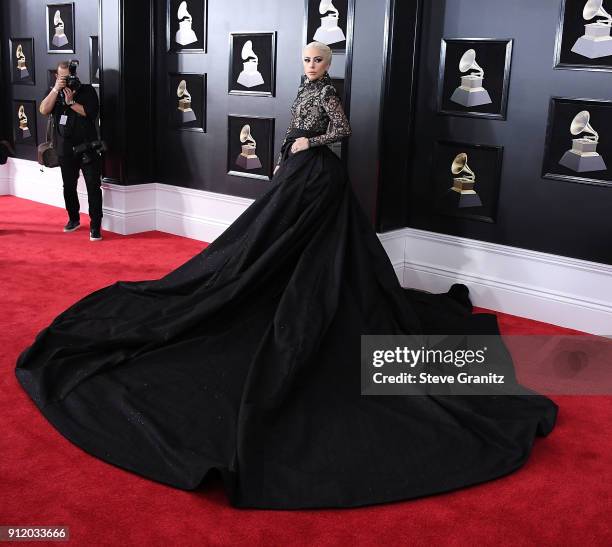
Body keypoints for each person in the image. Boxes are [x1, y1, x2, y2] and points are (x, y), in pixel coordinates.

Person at [15, 42, 558, 510]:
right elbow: (296, 125)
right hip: (296, 171)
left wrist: (309, 145)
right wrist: (285, 154)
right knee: (266, 248)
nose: (312, 65)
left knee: (320, 255)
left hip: (320, 177)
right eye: (306, 59)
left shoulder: (329, 95)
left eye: (319, 60)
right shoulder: (304, 87)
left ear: (329, 64)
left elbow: (339, 131)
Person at [39, 60, 103, 241]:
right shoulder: (54, 92)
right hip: (65, 149)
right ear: (57, 76)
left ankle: (95, 226)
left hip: (87, 147)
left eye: (70, 76)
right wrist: (55, 90)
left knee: (93, 187)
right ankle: (73, 219)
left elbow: (90, 112)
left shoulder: (87, 90)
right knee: (68, 186)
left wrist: (71, 102)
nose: (67, 80)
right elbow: (44, 110)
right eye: (63, 77)